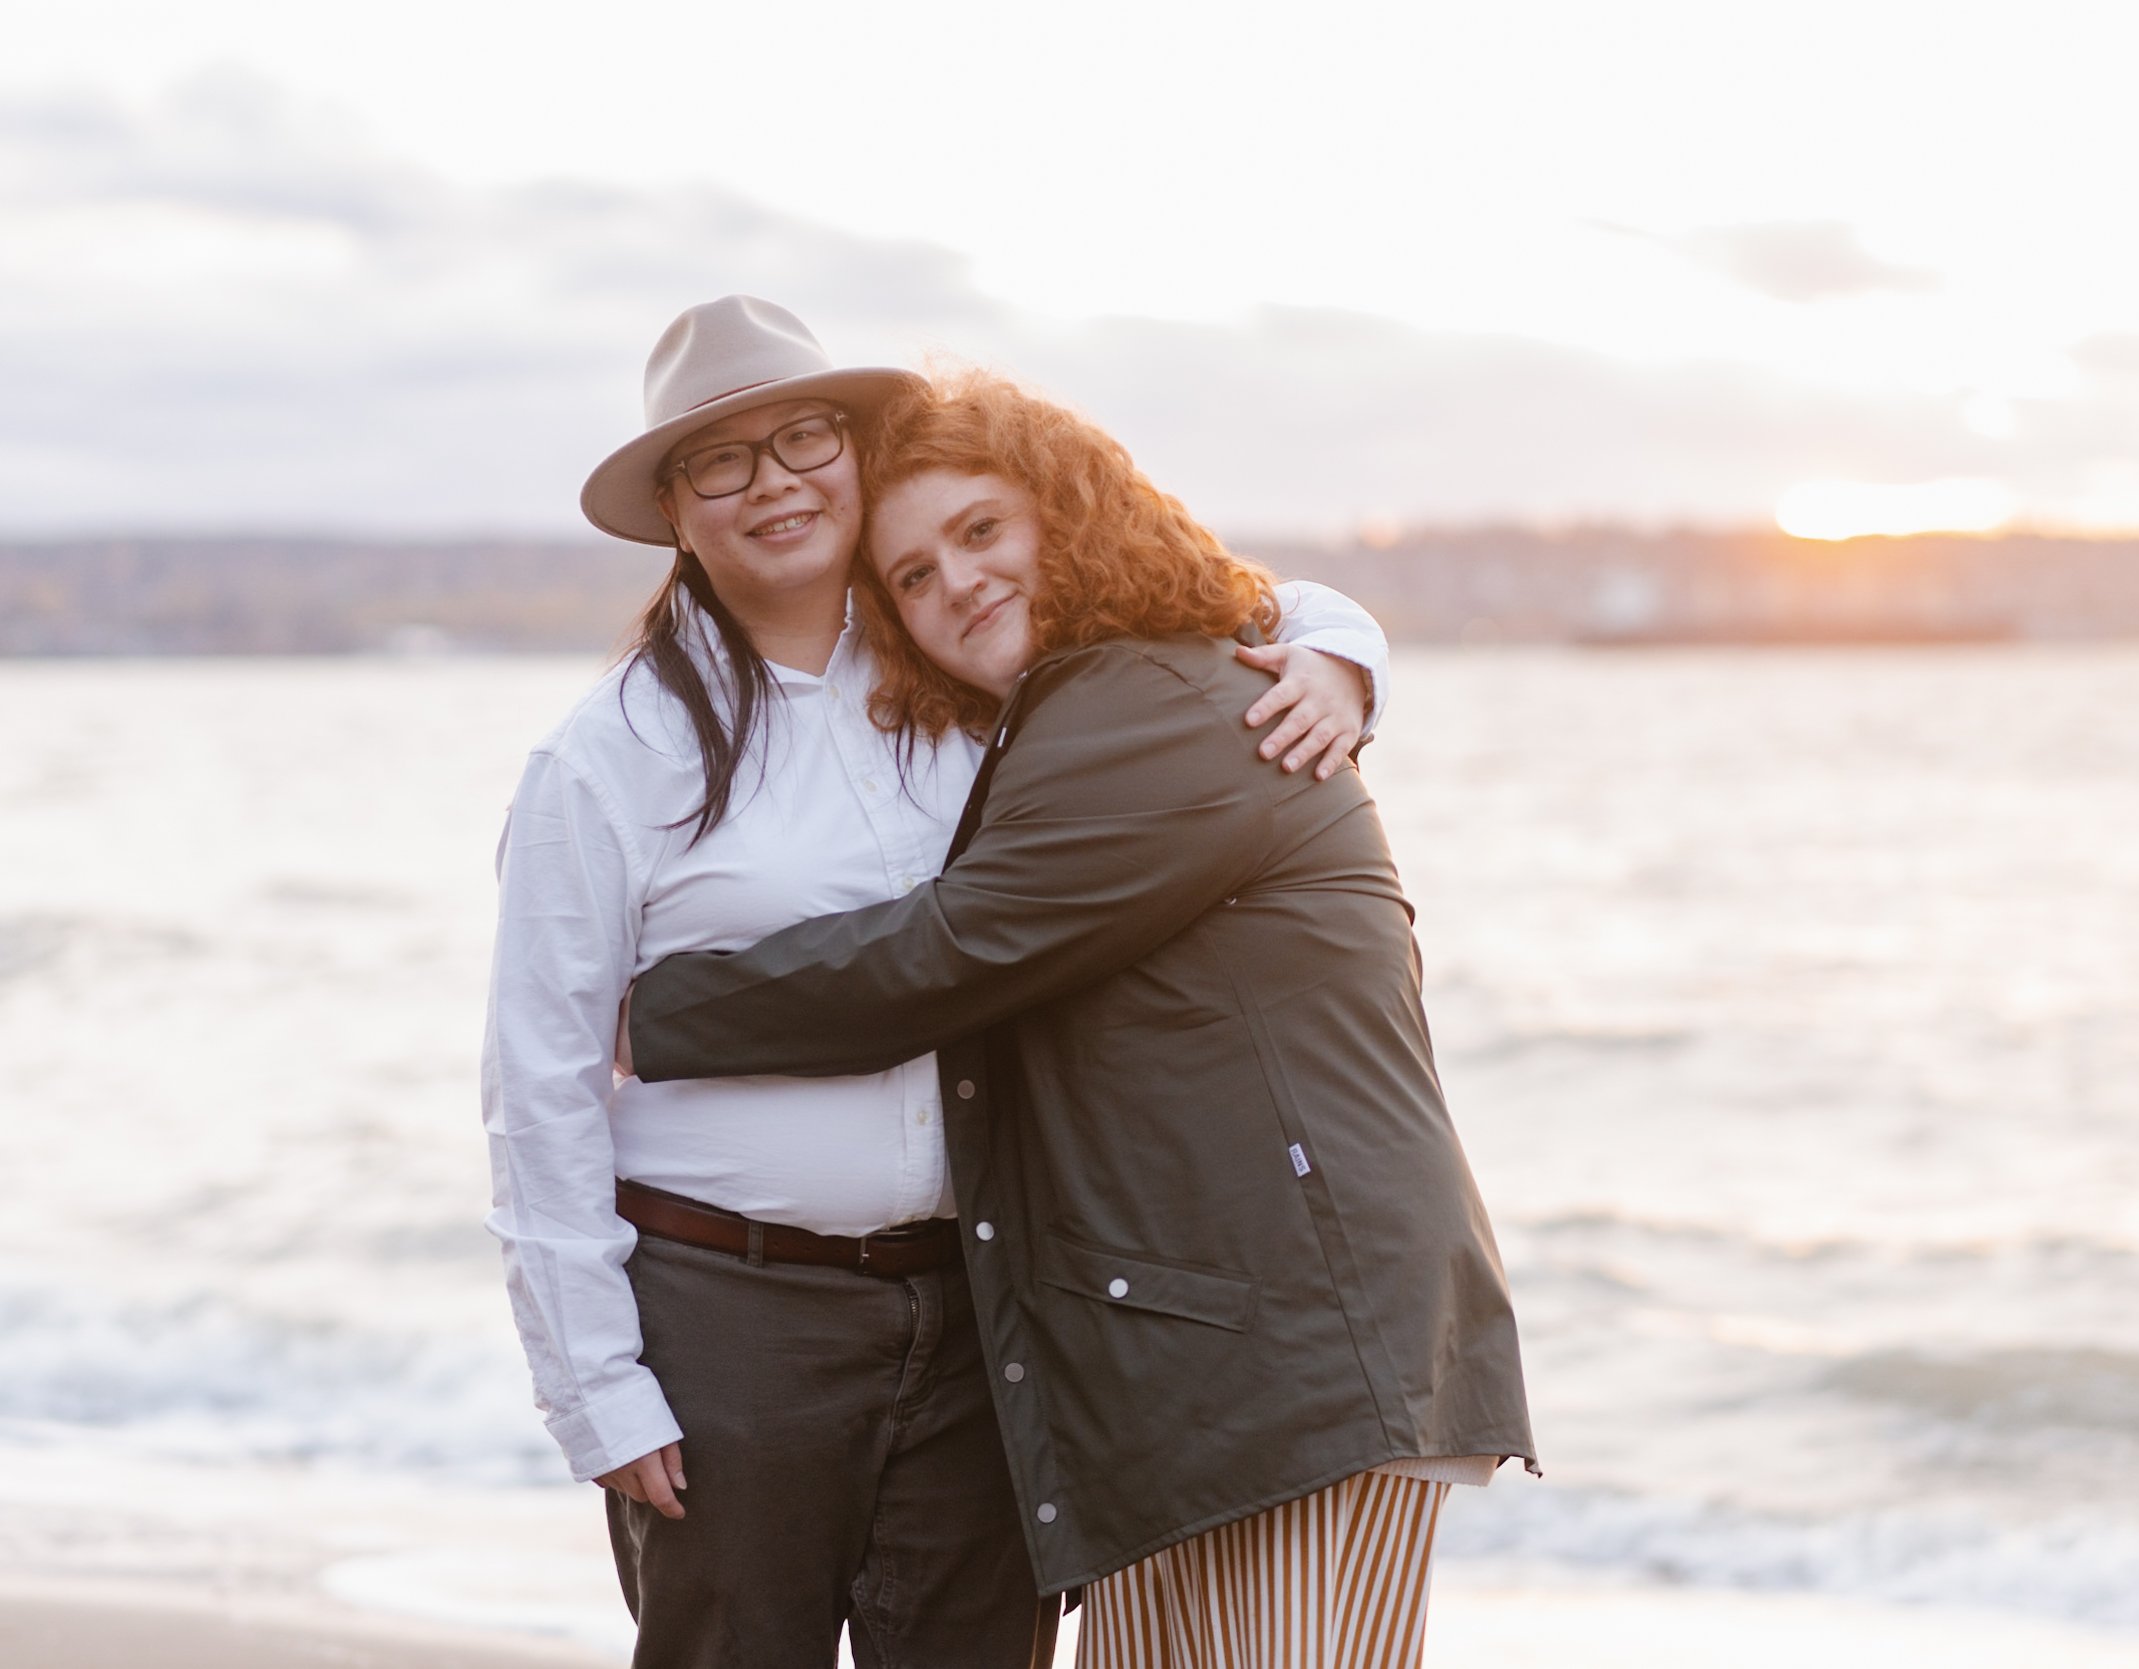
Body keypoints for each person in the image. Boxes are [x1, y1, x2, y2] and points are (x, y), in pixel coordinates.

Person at [482, 297, 1397, 1668]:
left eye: (804, 437)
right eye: (721, 461)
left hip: (989, 1314)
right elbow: (535, 1090)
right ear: (677, 507)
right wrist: (593, 1386)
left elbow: (1204, 601)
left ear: (856, 453)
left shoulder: (970, 661)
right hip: (734, 1319)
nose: (775, 482)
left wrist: (1341, 649)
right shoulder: (607, 757)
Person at [625, 368, 1536, 1669]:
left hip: (1307, 1361)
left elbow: (944, 953)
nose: (960, 587)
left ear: (1070, 511)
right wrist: (1344, 641)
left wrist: (659, 1008)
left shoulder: (1153, 707)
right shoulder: (1101, 699)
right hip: (1223, 1364)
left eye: (983, 532)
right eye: (919, 577)